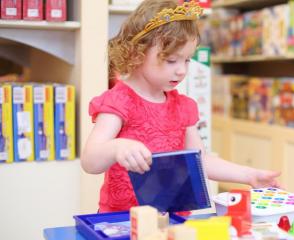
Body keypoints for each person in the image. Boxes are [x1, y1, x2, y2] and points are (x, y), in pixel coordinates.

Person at [81, 0, 280, 213]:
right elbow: (90, 161)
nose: (181, 70)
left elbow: (200, 161)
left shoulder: (183, 107)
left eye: (187, 60)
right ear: (136, 53)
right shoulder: (119, 101)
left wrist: (249, 175)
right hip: (122, 223)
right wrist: (116, 147)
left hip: (171, 219)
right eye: (171, 60)